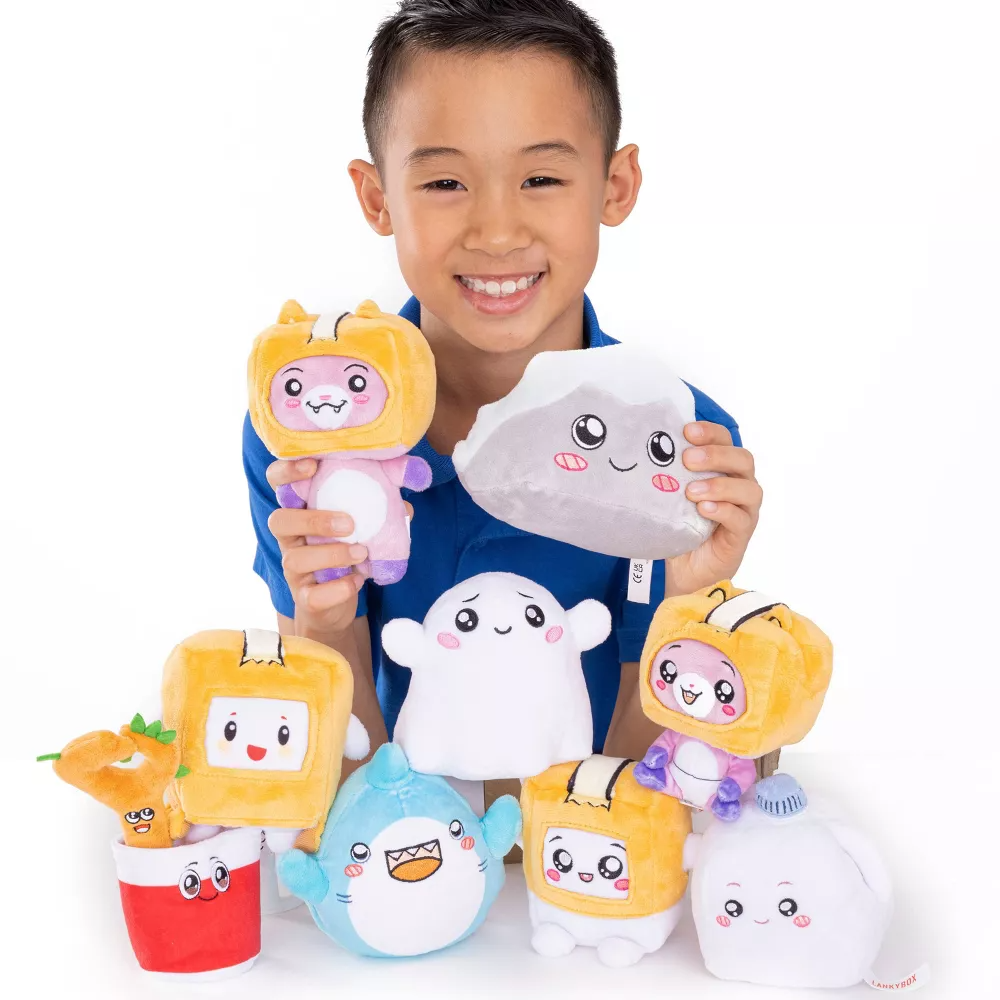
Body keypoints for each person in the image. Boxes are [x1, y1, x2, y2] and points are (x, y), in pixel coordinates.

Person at [243, 0, 763, 772]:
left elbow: (640, 790)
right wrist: (324, 622)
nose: (496, 232)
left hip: (584, 840)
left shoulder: (675, 444)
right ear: (378, 198)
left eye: (541, 177)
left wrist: (688, 603)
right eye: (445, 181)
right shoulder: (311, 422)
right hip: (406, 828)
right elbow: (341, 780)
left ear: (616, 185)